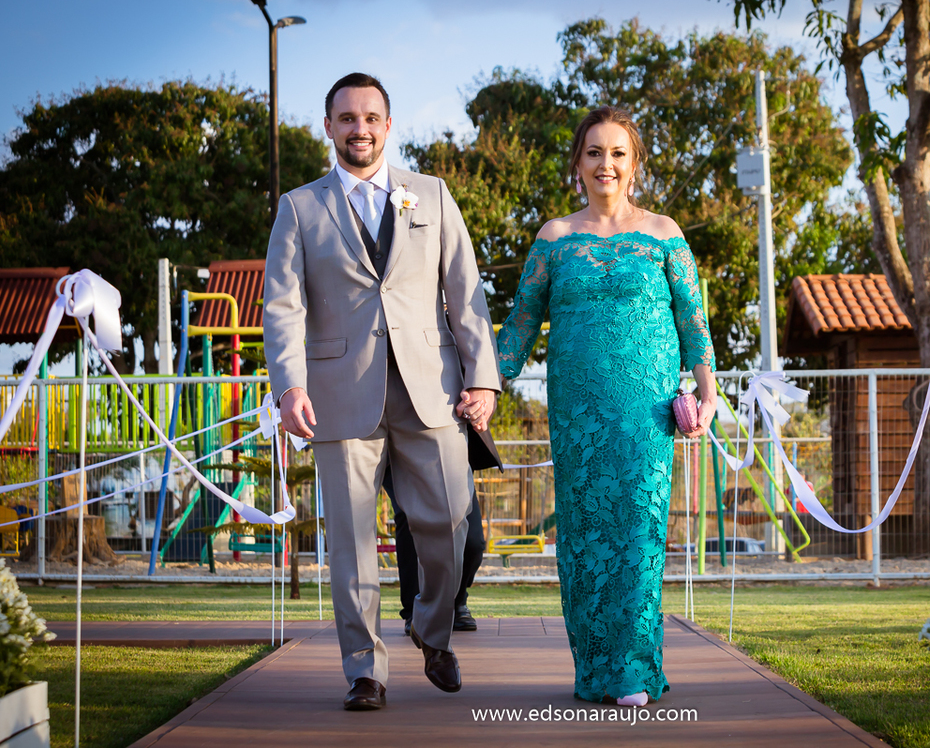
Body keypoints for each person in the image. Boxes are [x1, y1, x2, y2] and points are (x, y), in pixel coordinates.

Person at [263, 72, 503, 711]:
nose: (359, 129)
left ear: (388, 125)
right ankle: (364, 669)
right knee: (351, 542)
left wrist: (483, 375)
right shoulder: (299, 208)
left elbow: (466, 290)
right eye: (346, 118)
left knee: (451, 522)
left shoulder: (432, 194)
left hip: (434, 391)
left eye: (370, 118)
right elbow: (282, 307)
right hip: (338, 396)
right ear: (329, 127)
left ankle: (433, 631)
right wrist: (288, 387)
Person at [496, 106, 717, 707]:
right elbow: (519, 327)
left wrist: (707, 389)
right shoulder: (554, 237)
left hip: (646, 412)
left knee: (639, 535)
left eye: (618, 153)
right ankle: (594, 671)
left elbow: (693, 323)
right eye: (594, 152)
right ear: (578, 164)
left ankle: (634, 673)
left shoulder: (665, 233)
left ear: (634, 164)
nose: (606, 164)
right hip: (577, 416)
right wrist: (479, 382)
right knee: (585, 538)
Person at [381, 465, 484, 634]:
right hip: (399, 455)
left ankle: (457, 600)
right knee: (409, 520)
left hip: (452, 455)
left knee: (473, 542)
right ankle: (413, 611)